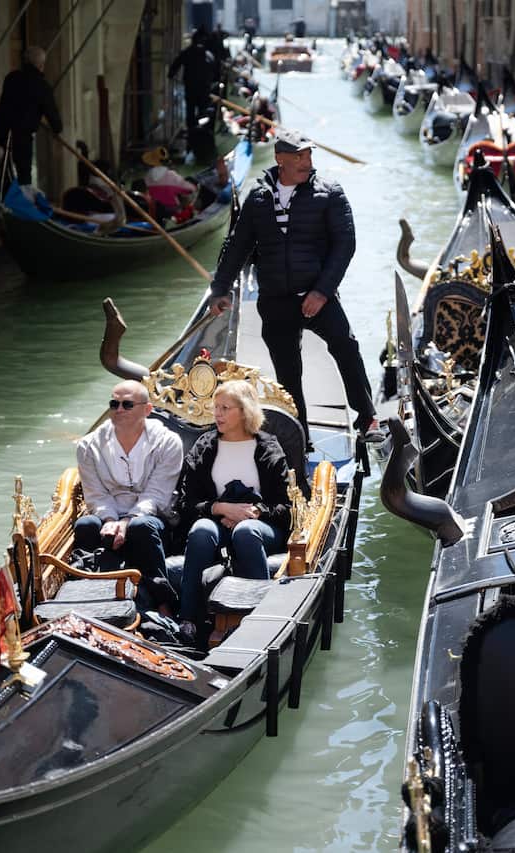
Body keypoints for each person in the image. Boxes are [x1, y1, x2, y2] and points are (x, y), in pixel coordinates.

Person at [208, 129, 379, 440]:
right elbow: (238, 246)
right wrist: (219, 289)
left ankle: (367, 417)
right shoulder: (258, 199)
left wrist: (322, 292)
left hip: (318, 296)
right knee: (288, 372)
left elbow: (345, 245)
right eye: (299, 156)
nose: (307, 161)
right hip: (275, 300)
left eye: (309, 155)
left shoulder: (330, 193)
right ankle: (300, 435)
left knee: (346, 345)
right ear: (280, 159)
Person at [175, 381, 293, 643]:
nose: (217, 414)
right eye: (216, 407)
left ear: (244, 411)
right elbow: (186, 501)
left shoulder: (268, 448)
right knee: (201, 531)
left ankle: (261, 617)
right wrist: (219, 507)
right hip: (215, 521)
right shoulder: (205, 446)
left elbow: (286, 506)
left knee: (246, 532)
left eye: (225, 408)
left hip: (260, 526)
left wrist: (254, 512)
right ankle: (187, 620)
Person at [74, 381, 184, 600]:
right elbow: (96, 494)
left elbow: (156, 495)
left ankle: (164, 603)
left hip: (153, 517)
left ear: (147, 409)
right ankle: (85, 596)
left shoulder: (168, 443)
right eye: (114, 404)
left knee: (141, 527)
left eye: (127, 404)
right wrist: (109, 520)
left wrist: (127, 522)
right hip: (108, 515)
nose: (119, 410)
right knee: (85, 525)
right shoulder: (88, 446)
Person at [0, 46, 63, 187]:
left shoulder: (11, 78)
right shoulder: (42, 86)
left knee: (7, 167)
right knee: (24, 173)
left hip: (2, 130)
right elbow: (52, 116)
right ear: (41, 65)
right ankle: (22, 201)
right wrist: (57, 130)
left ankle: (7, 197)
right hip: (21, 135)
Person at [169, 30, 217, 131]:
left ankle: (192, 131)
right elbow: (214, 70)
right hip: (203, 88)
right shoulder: (207, 54)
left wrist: (171, 74)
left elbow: (176, 64)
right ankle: (201, 131)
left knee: (191, 110)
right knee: (202, 110)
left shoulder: (187, 52)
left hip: (191, 87)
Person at [140, 147, 197, 220]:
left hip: (153, 210)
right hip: (171, 211)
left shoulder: (148, 176)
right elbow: (189, 190)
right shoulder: (171, 175)